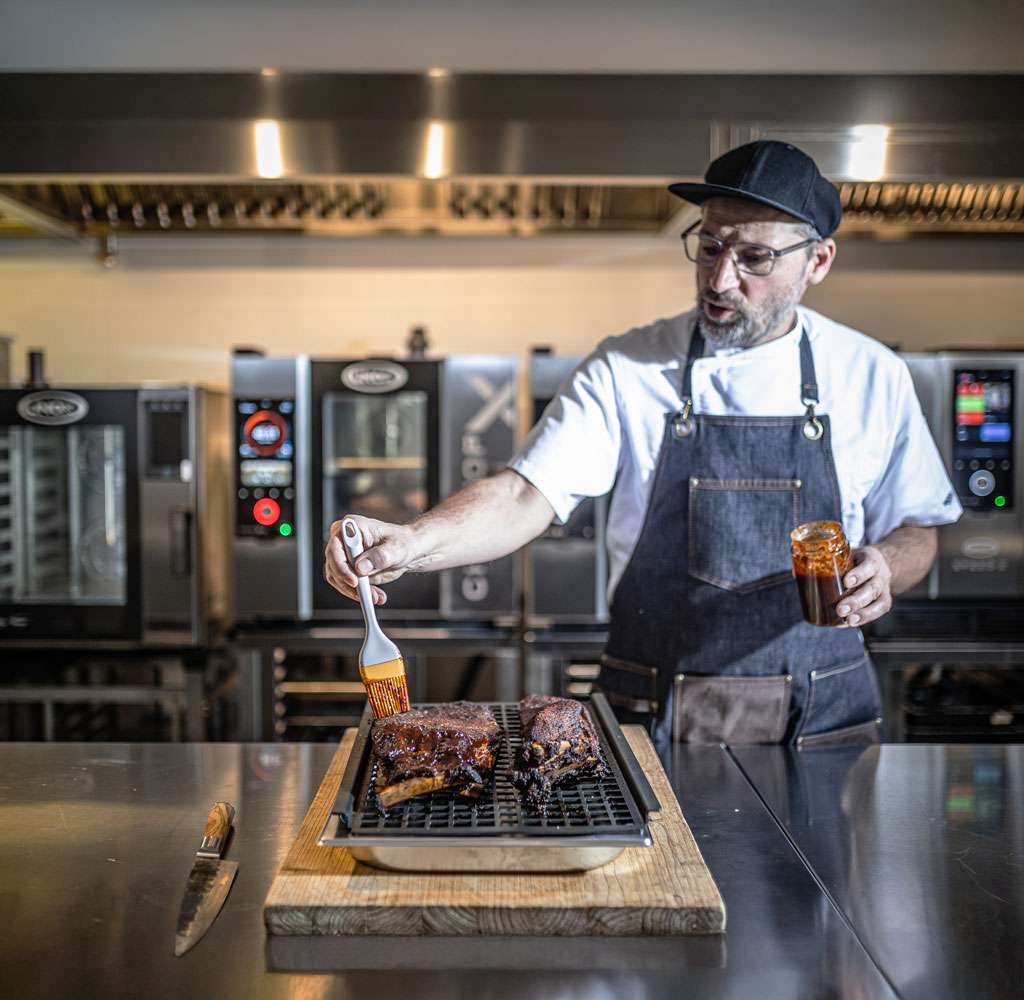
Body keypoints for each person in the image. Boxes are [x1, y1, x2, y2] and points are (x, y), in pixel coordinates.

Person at [324, 140, 962, 752]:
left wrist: (885, 565)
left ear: (818, 260)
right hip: (651, 717)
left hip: (821, 723)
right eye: (709, 245)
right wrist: (411, 545)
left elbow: (919, 529)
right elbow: (523, 493)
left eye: (756, 258)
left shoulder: (871, 374)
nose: (720, 277)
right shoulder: (629, 366)